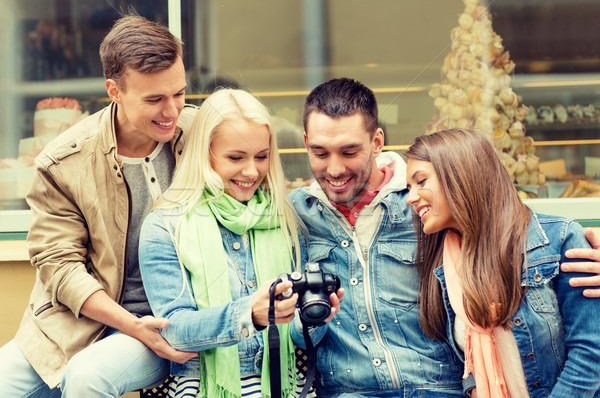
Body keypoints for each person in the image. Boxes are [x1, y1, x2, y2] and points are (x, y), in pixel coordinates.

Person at [0, 13, 198, 397]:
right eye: (155, 99)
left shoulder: (201, 135)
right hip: (76, 320)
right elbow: (59, 265)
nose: (172, 111)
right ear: (114, 91)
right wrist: (128, 323)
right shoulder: (63, 161)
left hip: (167, 318)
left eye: (179, 93)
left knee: (88, 377)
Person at [138, 88, 329, 397]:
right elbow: (174, 330)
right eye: (235, 157)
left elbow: (296, 336)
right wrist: (248, 315)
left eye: (262, 156)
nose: (251, 171)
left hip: (284, 385)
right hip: (202, 386)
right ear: (205, 153)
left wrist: (316, 318)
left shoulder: (286, 220)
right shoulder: (165, 226)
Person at [289, 78, 465, 397]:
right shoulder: (295, 214)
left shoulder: (423, 200)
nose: (334, 169)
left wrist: (579, 242)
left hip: (439, 388)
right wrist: (312, 318)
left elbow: (504, 225)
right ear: (305, 143)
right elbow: (300, 338)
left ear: (377, 141)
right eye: (320, 153)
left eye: (349, 151)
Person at [404, 128, 600, 397]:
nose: (410, 197)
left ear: (461, 175)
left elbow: (591, 353)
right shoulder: (444, 263)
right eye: (408, 187)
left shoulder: (559, 239)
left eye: (421, 181)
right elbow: (465, 363)